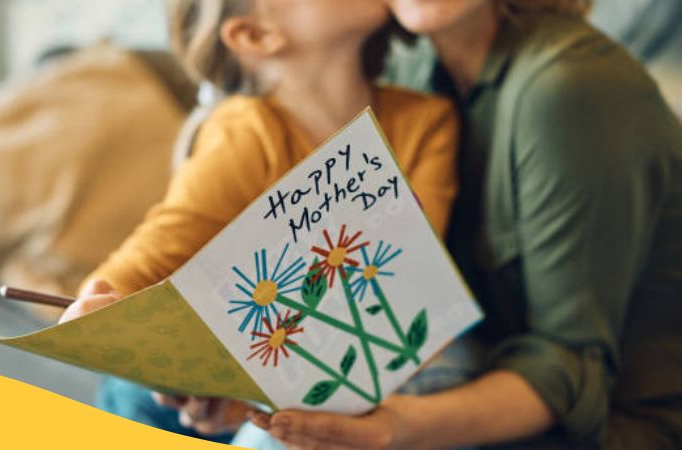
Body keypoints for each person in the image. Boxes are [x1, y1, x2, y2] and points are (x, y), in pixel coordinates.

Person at [239, 1, 682, 449]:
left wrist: (395, 427)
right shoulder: (413, 72)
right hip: (469, 379)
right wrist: (251, 393)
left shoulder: (568, 86)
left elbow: (568, 372)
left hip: (603, 430)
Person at [59, 0, 469, 444]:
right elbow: (134, 271)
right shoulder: (246, 132)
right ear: (256, 37)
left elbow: (408, 294)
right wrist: (96, 313)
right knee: (132, 393)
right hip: (191, 397)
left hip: (316, 378)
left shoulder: (426, 124)